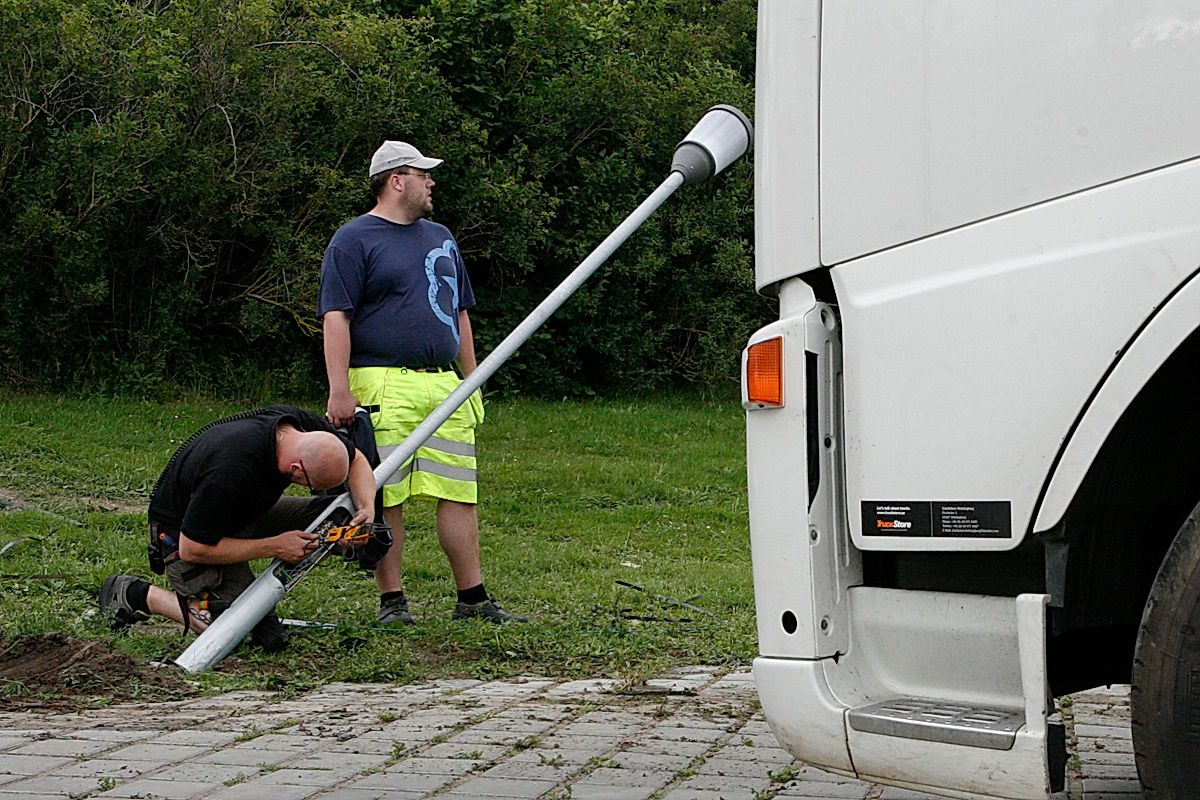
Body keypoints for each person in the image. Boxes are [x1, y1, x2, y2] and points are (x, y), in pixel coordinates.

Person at [317, 140, 525, 625]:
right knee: (386, 495)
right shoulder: (354, 239)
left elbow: (460, 313)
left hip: (445, 386)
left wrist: (472, 380)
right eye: (423, 174)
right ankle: (393, 603)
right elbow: (336, 317)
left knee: (459, 491)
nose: (432, 182)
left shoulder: (441, 237)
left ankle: (472, 600)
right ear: (396, 180)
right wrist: (339, 389)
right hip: (382, 385)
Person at [98, 405, 377, 650]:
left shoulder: (298, 425)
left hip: (243, 514)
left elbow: (357, 460)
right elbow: (193, 548)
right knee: (230, 632)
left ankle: (249, 606)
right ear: (297, 469)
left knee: (335, 515)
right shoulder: (230, 468)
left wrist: (366, 508)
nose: (307, 489)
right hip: (186, 536)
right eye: (310, 485)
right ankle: (135, 593)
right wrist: (276, 546)